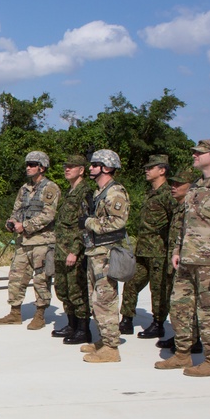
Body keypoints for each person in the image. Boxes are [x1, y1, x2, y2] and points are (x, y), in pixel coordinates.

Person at [155, 140, 210, 377]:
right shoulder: (197, 185)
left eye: (200, 153)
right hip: (188, 259)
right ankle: (182, 353)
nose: (194, 155)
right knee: (180, 308)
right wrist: (178, 249)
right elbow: (185, 222)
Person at [0, 151, 60, 329]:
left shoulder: (50, 188)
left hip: (42, 242)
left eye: (32, 164)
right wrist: (12, 222)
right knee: (16, 276)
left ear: (42, 167)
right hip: (23, 242)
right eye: (27, 164)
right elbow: (16, 210)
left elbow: (48, 215)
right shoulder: (24, 189)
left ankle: (40, 314)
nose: (28, 167)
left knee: (41, 279)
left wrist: (26, 225)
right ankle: (15, 312)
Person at [80, 149, 130, 363]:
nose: (90, 168)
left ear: (107, 168)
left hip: (107, 252)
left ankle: (111, 347)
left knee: (105, 299)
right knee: (96, 299)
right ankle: (104, 339)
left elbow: (118, 222)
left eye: (95, 164)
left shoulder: (114, 193)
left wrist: (88, 222)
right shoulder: (100, 192)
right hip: (96, 251)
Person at [119, 155, 176, 338]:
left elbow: (174, 223)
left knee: (159, 290)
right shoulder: (150, 193)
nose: (146, 170)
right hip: (143, 249)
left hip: (159, 252)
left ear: (162, 170)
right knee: (131, 282)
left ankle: (158, 323)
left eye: (151, 167)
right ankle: (126, 319)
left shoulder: (169, 194)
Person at [156, 168, 203, 354]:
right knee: (177, 304)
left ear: (190, 187)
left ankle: (194, 339)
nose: (173, 187)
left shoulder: (192, 208)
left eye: (178, 184)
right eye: (172, 183)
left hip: (188, 261)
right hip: (175, 260)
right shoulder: (178, 207)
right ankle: (182, 337)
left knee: (188, 303)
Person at [51, 154, 93, 344]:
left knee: (77, 291)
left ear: (81, 170)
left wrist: (75, 251)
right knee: (62, 289)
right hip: (61, 249)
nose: (67, 169)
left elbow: (84, 226)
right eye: (65, 166)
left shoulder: (84, 192)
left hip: (72, 252)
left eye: (72, 166)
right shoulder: (71, 192)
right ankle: (72, 324)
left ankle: (83, 330)